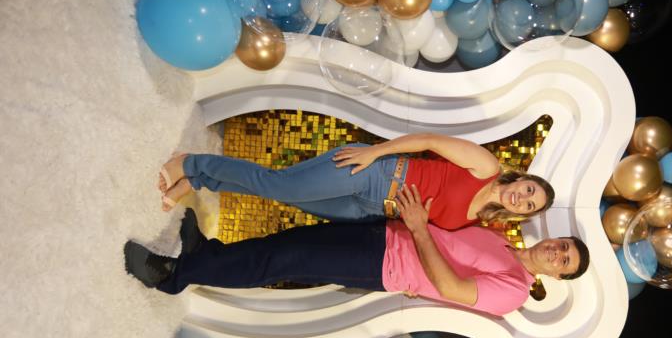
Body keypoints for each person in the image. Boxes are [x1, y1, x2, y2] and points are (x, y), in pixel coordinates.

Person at [127, 186, 589, 316]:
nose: (558, 251)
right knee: (287, 243)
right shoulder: (500, 239)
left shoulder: (514, 291)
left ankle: (173, 276)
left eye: (564, 261)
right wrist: (410, 221)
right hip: (382, 234)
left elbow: (452, 288)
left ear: (558, 278)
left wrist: (418, 228)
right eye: (564, 245)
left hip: (381, 264)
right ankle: (206, 253)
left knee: (283, 261)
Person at [157, 133, 555, 230]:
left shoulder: (480, 219)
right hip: (376, 172)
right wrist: (375, 152)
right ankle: (191, 161)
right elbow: (430, 141)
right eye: (529, 190)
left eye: (529, 205)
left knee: (283, 195)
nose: (522, 198)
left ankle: (199, 180)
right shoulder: (487, 166)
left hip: (368, 209)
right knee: (279, 184)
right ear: (524, 179)